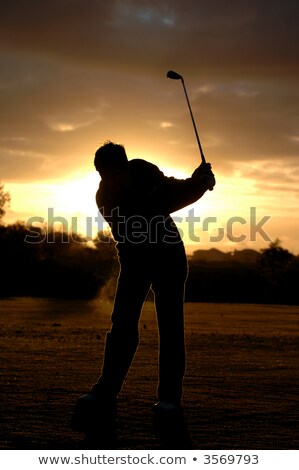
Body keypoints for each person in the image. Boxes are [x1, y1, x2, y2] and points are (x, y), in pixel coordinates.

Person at [72, 141, 215, 439]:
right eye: (101, 174)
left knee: (171, 328)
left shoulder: (144, 170)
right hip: (135, 261)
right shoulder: (106, 196)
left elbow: (171, 188)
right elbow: (162, 203)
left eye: (111, 173)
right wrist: (200, 186)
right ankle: (106, 391)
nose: (106, 179)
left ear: (124, 166)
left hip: (170, 258)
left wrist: (197, 180)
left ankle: (169, 399)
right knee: (122, 325)